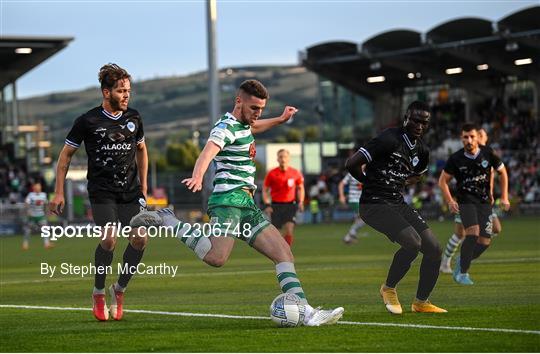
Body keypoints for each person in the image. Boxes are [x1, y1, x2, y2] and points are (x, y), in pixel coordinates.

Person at [131, 79, 344, 326]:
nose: (257, 114)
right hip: (228, 200)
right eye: (254, 108)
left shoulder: (244, 125)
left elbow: (254, 127)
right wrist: (198, 175)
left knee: (283, 252)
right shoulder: (225, 127)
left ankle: (306, 312)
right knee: (216, 257)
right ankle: (167, 219)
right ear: (238, 101)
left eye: (261, 108)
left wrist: (279, 119)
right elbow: (208, 151)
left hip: (246, 203)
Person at [49, 63, 149, 321]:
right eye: (121, 91)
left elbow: (141, 150)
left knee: (140, 239)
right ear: (106, 93)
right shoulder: (87, 121)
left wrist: (144, 187)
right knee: (109, 240)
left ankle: (120, 289)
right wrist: (58, 192)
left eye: (128, 90)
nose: (126, 95)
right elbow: (65, 156)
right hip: (102, 191)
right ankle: (98, 292)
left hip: (130, 191)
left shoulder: (134, 118)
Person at [345, 101, 446, 314]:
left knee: (435, 249)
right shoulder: (388, 138)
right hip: (373, 203)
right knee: (412, 243)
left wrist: (402, 181)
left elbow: (418, 175)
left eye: (424, 122)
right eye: (415, 120)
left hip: (396, 201)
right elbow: (351, 163)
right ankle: (388, 288)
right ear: (406, 118)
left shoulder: (422, 150)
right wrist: (368, 181)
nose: (419, 125)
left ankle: (421, 302)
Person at [438, 124, 510, 285]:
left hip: (484, 202)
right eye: (465, 137)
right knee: (471, 233)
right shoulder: (455, 158)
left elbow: (503, 172)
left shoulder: (488, 153)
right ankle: (462, 272)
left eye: (472, 136)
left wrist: (504, 196)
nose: (469, 140)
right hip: (465, 201)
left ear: (477, 137)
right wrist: (450, 201)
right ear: (461, 138)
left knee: (485, 242)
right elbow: (442, 181)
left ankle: (461, 259)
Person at [262, 149, 305, 247]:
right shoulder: (272, 173)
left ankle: (287, 251)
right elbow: (265, 190)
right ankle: (280, 249)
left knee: (289, 229)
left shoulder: (295, 173)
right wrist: (267, 204)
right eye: (280, 157)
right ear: (277, 159)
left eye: (285, 157)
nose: (283, 159)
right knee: (277, 233)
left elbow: (300, 188)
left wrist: (301, 202)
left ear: (289, 158)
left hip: (290, 205)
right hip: (276, 205)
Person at [338, 172, 366, 244]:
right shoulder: (352, 173)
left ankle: (349, 237)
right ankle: (350, 234)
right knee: (365, 217)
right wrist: (341, 196)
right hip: (354, 200)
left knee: (360, 219)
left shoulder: (368, 173)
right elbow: (341, 184)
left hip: (362, 201)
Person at [23, 182, 52, 250]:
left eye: (39, 188)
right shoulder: (31, 195)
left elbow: (46, 204)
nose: (38, 189)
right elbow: (26, 202)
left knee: (45, 230)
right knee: (28, 230)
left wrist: (48, 212)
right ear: (34, 189)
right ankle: (25, 244)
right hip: (32, 216)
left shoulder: (43, 195)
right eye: (37, 188)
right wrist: (28, 210)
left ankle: (46, 244)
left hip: (41, 215)